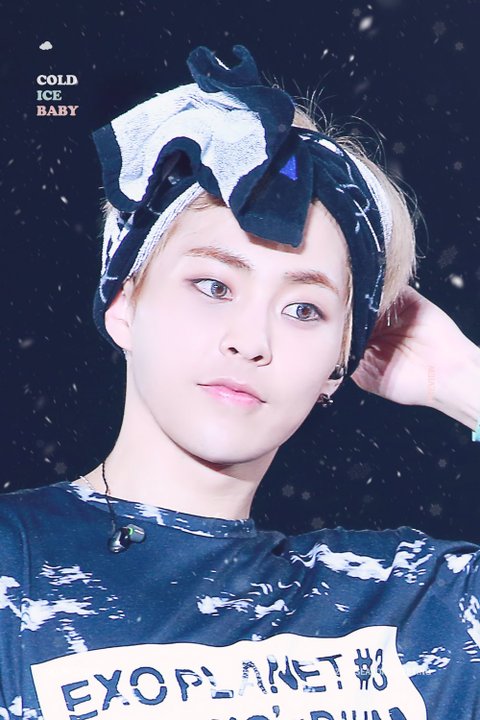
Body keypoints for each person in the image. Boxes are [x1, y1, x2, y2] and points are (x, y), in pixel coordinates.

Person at [1, 45, 479, 720]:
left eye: (304, 309)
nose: (252, 340)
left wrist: (461, 379)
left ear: (339, 364)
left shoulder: (418, 606)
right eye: (213, 285)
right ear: (124, 304)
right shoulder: (12, 564)